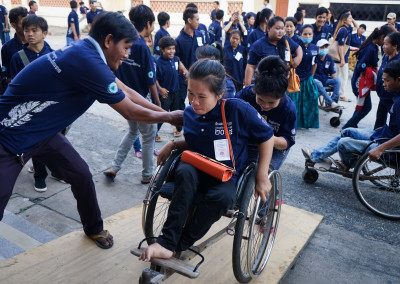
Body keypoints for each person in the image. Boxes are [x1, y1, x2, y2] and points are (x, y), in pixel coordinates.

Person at [0, 11, 183, 249]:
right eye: (126, 47)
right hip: (9, 138)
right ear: (108, 41)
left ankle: (93, 228)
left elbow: (127, 91)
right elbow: (129, 111)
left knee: (81, 175)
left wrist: (161, 110)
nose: (128, 54)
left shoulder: (88, 52)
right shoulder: (87, 61)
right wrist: (171, 116)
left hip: (44, 133)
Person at [139, 59, 274, 261]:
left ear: (219, 95)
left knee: (223, 198)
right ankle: (167, 241)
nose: (194, 102)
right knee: (184, 172)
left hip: (226, 175)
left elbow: (267, 137)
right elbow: (198, 141)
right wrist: (173, 144)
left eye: (202, 96)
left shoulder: (237, 110)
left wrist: (262, 176)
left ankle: (180, 243)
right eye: (190, 94)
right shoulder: (190, 114)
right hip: (195, 167)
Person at [302, 59, 400, 171]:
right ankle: (317, 155)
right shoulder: (396, 96)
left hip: (388, 148)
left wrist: (380, 149)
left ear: (398, 80)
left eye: (387, 80)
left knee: (343, 143)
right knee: (347, 131)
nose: (383, 84)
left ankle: (348, 163)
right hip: (382, 136)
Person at [103, 5, 160, 185]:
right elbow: (150, 80)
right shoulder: (143, 47)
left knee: (132, 131)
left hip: (124, 98)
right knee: (148, 137)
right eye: (152, 25)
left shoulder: (123, 42)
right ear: (149, 24)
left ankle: (114, 166)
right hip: (140, 99)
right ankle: (147, 174)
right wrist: (157, 103)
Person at [9, 15, 54, 192]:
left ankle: (56, 170)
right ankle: (40, 176)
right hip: (30, 107)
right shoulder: (18, 57)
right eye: (27, 30)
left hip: (52, 106)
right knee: (37, 142)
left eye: (34, 30)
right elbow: (14, 85)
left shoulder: (53, 54)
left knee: (56, 140)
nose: (29, 34)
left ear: (44, 33)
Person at [236, 56, 296, 170]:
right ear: (255, 92)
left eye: (272, 102)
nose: (265, 106)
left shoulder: (288, 109)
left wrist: (266, 137)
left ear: (281, 96)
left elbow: (287, 141)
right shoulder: (246, 95)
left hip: (275, 147)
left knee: (266, 172)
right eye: (260, 100)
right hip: (247, 141)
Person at [342, 25, 392, 129]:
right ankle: (348, 126)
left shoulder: (373, 47)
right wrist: (374, 73)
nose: (384, 44)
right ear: (382, 36)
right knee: (366, 107)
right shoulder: (369, 49)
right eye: (385, 41)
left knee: (362, 105)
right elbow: (361, 67)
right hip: (360, 82)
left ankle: (352, 124)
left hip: (364, 82)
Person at [244, 16, 303, 87]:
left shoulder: (286, 41)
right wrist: (247, 86)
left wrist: (298, 59)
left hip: (281, 84)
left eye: (282, 28)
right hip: (264, 85)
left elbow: (298, 48)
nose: (281, 31)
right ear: (268, 28)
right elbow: (250, 66)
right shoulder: (258, 45)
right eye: (278, 28)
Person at [174, 7, 205, 137]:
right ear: (189, 20)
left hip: (200, 77)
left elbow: (204, 52)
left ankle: (199, 125)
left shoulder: (199, 35)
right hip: (184, 78)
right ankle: (180, 127)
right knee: (181, 102)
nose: (199, 22)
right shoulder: (179, 39)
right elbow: (176, 58)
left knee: (199, 101)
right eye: (197, 19)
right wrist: (185, 71)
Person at [289, 24, 319, 129]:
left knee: (312, 98)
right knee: (295, 103)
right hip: (296, 79)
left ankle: (307, 123)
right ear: (300, 34)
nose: (307, 36)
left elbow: (314, 64)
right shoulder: (295, 47)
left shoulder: (315, 48)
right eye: (305, 34)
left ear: (313, 35)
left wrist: (312, 76)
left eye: (309, 34)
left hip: (308, 78)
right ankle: (294, 125)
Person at [155, 36, 187, 134]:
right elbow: (155, 79)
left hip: (176, 91)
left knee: (177, 113)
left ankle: (178, 130)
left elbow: (181, 69)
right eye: (169, 49)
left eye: (173, 48)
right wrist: (160, 89)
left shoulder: (175, 59)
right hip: (166, 94)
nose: (172, 51)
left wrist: (185, 72)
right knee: (162, 116)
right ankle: (154, 134)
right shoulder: (158, 63)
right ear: (162, 49)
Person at [375, 32, 400, 130]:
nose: (383, 46)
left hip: (392, 100)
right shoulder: (385, 57)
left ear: (394, 46)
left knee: (389, 128)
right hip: (382, 98)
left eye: (386, 44)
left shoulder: (397, 62)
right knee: (378, 126)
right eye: (383, 43)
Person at [1, 7, 28, 85]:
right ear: (13, 25)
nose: (27, 26)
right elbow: (8, 76)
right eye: (23, 23)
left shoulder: (39, 43)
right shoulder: (7, 48)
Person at [313, 39, 340, 109]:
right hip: (315, 81)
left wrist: (333, 82)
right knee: (317, 82)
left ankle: (333, 101)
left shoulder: (329, 58)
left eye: (325, 47)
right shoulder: (314, 57)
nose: (324, 49)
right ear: (318, 48)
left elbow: (333, 72)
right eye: (322, 47)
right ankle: (330, 102)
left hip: (325, 80)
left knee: (337, 80)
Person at [332, 12, 353, 102]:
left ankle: (337, 93)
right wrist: (342, 59)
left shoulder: (345, 29)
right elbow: (340, 46)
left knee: (339, 76)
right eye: (350, 18)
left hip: (341, 57)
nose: (351, 20)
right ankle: (341, 95)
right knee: (343, 77)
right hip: (341, 58)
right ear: (344, 20)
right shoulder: (344, 30)